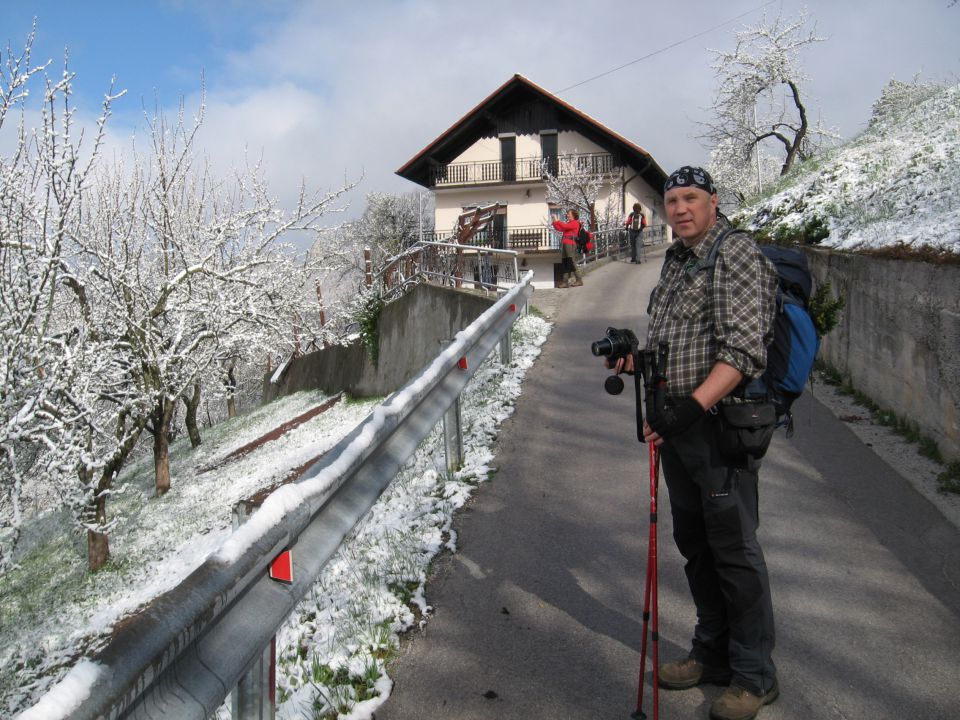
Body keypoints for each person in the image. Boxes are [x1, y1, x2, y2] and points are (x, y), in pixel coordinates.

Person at [616, 166, 780, 720]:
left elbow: (744, 348)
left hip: (719, 425)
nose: (680, 208)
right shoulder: (676, 260)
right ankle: (711, 654)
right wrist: (636, 358)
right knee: (696, 546)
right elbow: (672, 341)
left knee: (734, 550)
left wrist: (691, 406)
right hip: (680, 428)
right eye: (671, 200)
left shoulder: (734, 254)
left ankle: (755, 675)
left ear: (713, 201)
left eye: (690, 198)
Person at [552, 208, 584, 287]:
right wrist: (554, 222)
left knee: (571, 261)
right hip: (566, 243)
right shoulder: (570, 223)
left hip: (570, 244)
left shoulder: (575, 223)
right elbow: (560, 228)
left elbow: (564, 226)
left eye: (569, 213)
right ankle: (565, 282)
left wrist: (557, 220)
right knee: (566, 262)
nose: (567, 215)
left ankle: (579, 280)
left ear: (573, 215)